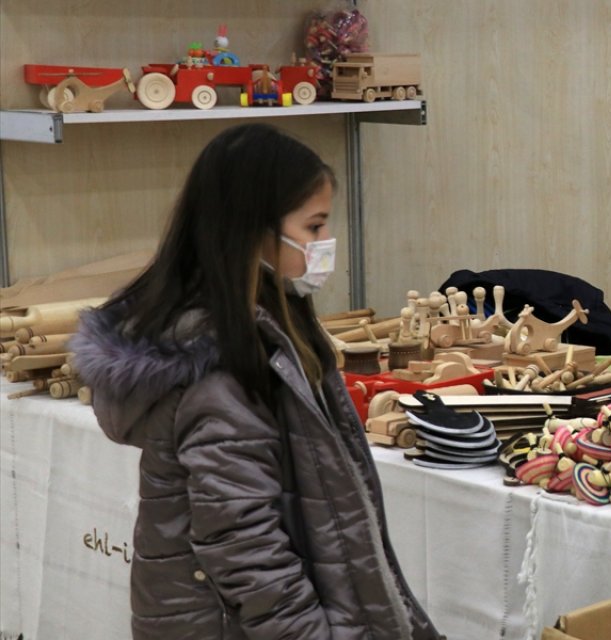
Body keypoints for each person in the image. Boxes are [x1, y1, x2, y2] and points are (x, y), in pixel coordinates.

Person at [71, 123, 444, 639]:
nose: (324, 244)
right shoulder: (220, 373)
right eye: (314, 227)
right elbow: (244, 545)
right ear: (254, 232)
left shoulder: (264, 330)